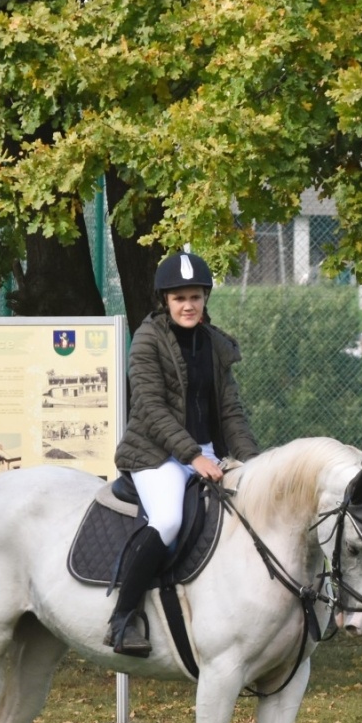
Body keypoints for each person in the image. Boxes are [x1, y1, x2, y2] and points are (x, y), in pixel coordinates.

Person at [107, 251, 261, 656]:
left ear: (205, 298)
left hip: (205, 451)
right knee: (170, 520)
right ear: (165, 301)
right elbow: (152, 408)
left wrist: (252, 464)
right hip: (155, 454)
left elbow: (230, 411)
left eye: (195, 296)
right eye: (179, 298)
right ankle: (123, 618)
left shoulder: (214, 344)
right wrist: (194, 458)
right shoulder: (147, 339)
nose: (188, 305)